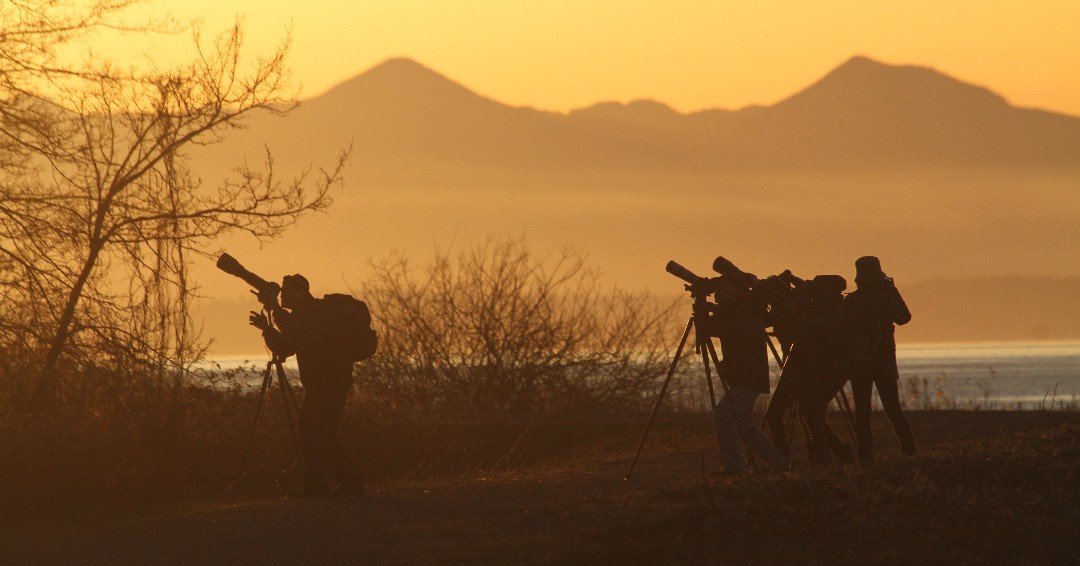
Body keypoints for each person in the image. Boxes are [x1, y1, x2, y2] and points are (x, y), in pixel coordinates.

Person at [249, 274, 366, 497]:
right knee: (319, 432)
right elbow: (287, 345)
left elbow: (292, 336)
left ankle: (331, 485)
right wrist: (267, 327)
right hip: (325, 383)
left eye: (287, 290)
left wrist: (273, 310)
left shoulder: (314, 314)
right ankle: (333, 484)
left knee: (315, 432)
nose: (282, 294)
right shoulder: (306, 315)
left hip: (328, 383)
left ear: (300, 293)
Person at [707, 256, 791, 474]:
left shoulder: (741, 311)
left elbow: (728, 327)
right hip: (745, 375)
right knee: (744, 425)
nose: (717, 293)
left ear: (734, 290)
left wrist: (707, 318)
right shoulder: (741, 309)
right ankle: (779, 463)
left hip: (748, 376)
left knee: (724, 415)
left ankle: (735, 466)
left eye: (722, 289)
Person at [841, 256, 916, 463]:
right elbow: (904, 317)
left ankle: (866, 457)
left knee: (864, 412)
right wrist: (892, 291)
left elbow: (903, 318)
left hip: (862, 362)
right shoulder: (881, 300)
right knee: (891, 408)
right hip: (877, 362)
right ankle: (908, 452)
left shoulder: (852, 301)